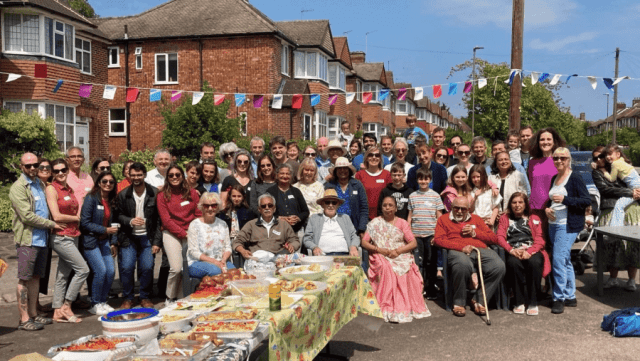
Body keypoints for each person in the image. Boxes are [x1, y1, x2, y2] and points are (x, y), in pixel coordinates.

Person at [10, 153, 63, 330]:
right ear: (21, 167)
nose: (33, 168)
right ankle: (24, 319)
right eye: (28, 166)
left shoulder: (40, 184)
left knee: (35, 277)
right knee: (24, 278)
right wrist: (52, 223)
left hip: (42, 239)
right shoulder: (18, 187)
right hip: (27, 239)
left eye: (35, 165)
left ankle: (33, 314)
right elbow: (26, 216)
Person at [362, 196, 431, 323]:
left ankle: (402, 307)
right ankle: (386, 306)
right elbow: (364, 242)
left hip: (399, 252)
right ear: (381, 208)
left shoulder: (402, 223)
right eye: (384, 205)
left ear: (396, 208)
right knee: (386, 267)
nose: (387, 208)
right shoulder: (375, 222)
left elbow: (413, 243)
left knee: (407, 267)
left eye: (390, 205)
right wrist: (379, 250)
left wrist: (398, 251)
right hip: (380, 253)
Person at [433, 196, 506, 317]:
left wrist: (475, 233)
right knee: (462, 264)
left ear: (468, 209)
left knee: (498, 266)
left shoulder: (476, 219)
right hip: (457, 250)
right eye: (456, 208)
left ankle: (479, 299)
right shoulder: (443, 219)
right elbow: (438, 240)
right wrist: (461, 248)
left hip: (479, 249)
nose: (460, 211)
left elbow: (494, 238)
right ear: (451, 207)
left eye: (463, 209)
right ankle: (459, 302)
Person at [544, 147, 590, 314]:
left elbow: (586, 200)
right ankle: (570, 295)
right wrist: (547, 209)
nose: (559, 161)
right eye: (556, 158)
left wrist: (566, 199)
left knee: (557, 259)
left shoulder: (575, 177)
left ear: (569, 160)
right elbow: (551, 201)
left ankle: (559, 298)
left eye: (563, 158)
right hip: (553, 224)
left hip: (568, 224)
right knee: (564, 260)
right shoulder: (554, 178)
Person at [45, 159, 90, 323]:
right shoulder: (52, 189)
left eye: (63, 169)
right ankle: (67, 305)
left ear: (67, 169)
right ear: (52, 173)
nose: (60, 173)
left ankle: (57, 310)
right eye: (56, 171)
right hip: (61, 236)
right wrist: (77, 218)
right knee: (83, 270)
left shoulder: (69, 189)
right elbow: (56, 216)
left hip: (73, 235)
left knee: (63, 274)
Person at [591, 146, 640, 291]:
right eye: (595, 158)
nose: (599, 159)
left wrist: (635, 193)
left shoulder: (620, 165)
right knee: (613, 247)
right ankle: (613, 279)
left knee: (632, 247)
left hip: (632, 210)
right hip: (611, 210)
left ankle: (631, 280)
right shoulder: (597, 173)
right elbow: (606, 189)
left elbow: (634, 182)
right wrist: (631, 193)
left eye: (601, 156)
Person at [115, 162, 161, 309]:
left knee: (147, 267)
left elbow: (160, 219)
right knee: (127, 267)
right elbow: (118, 216)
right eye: (133, 175)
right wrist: (130, 221)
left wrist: (157, 242)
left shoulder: (154, 193)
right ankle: (128, 297)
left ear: (144, 175)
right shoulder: (123, 194)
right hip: (129, 237)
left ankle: (144, 296)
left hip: (147, 237)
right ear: (129, 175)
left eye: (139, 175)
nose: (136, 177)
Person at [496, 192, 550, 316]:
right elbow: (500, 237)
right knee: (513, 263)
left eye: (520, 202)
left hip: (532, 250)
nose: (517, 205)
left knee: (535, 262)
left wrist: (529, 252)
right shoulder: (505, 218)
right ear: (510, 204)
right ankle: (518, 301)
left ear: (525, 204)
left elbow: (540, 240)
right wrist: (511, 250)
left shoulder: (534, 218)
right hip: (514, 250)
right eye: (514, 202)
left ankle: (533, 302)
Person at [157, 164, 201, 303]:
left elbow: (198, 214)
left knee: (188, 268)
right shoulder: (162, 196)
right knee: (176, 268)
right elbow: (166, 220)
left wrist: (192, 232)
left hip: (191, 232)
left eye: (177, 175)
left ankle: (183, 296)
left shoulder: (193, 193)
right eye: (171, 175)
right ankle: (170, 297)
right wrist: (183, 233)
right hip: (171, 233)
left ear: (183, 176)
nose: (174, 177)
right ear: (167, 178)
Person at [80, 171, 118, 316]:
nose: (107, 184)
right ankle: (95, 303)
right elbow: (84, 223)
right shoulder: (91, 198)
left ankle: (102, 301)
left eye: (111, 182)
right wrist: (105, 229)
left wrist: (114, 242)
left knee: (110, 271)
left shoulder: (112, 200)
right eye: (104, 181)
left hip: (105, 241)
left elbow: (114, 223)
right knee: (100, 271)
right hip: (91, 241)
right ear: (98, 183)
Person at [407, 167, 444, 299]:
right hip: (416, 235)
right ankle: (419, 286)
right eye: (420, 178)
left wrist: (437, 234)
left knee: (431, 261)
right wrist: (409, 233)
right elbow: (410, 217)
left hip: (430, 235)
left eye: (426, 178)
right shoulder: (412, 196)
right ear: (417, 180)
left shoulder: (435, 196)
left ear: (430, 179)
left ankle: (431, 287)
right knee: (418, 262)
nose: (423, 181)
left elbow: (440, 218)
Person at [233, 193, 300, 258]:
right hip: (256, 261)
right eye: (263, 206)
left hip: (278, 260)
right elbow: (237, 242)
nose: (267, 208)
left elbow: (295, 240)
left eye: (270, 205)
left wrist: (292, 245)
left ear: (274, 208)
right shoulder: (251, 225)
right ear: (259, 209)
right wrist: (243, 251)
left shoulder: (283, 224)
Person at [528, 127, 566, 241]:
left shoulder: (560, 161)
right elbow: (531, 184)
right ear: (537, 142)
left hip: (554, 208)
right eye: (542, 139)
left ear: (554, 141)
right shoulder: (532, 162)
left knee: (553, 242)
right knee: (538, 241)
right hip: (535, 208)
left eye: (549, 139)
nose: (545, 142)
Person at [187, 192, 235, 277]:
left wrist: (223, 260)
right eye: (206, 206)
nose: (210, 209)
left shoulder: (223, 224)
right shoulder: (194, 225)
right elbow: (194, 252)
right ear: (201, 207)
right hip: (197, 263)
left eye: (213, 205)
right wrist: (215, 262)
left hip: (221, 261)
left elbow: (228, 247)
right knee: (216, 271)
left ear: (218, 207)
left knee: (234, 273)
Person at [303, 189, 360, 256]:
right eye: (327, 202)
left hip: (344, 255)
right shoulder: (314, 218)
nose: (330, 205)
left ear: (338, 205)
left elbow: (354, 236)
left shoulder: (345, 218)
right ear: (322, 205)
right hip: (323, 256)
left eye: (334, 203)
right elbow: (307, 239)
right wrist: (314, 247)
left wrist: (353, 246)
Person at [323, 157, 369, 237]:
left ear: (349, 170)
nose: (342, 171)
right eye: (339, 168)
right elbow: (324, 206)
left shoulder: (357, 185)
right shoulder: (330, 185)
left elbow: (364, 208)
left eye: (345, 168)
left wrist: (362, 228)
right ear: (335, 171)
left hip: (354, 227)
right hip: (334, 228)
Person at [602, 144, 640, 227]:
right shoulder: (622, 160)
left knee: (619, 205)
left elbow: (612, 179)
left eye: (610, 154)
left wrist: (604, 171)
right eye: (606, 155)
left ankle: (616, 229)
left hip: (635, 187)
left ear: (618, 154)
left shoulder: (615, 164)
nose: (607, 157)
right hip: (637, 184)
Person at [267, 163, 310, 235]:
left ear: (291, 176)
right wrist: (279, 218)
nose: (285, 176)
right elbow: (266, 212)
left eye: (288, 174)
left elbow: (305, 211)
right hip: (276, 231)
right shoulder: (270, 192)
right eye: (282, 173)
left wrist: (297, 218)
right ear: (277, 175)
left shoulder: (296, 191)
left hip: (296, 231)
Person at [356, 146, 392, 220]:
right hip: (364, 216)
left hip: (383, 216)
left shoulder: (387, 174)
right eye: (371, 155)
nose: (374, 157)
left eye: (377, 155)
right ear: (366, 158)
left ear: (380, 158)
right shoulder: (359, 175)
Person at [36, 158, 54, 310]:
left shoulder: (49, 186)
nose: (45, 169)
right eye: (42, 166)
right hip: (34, 235)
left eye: (48, 167)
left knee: (43, 270)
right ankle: (33, 305)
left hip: (47, 234)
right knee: (33, 274)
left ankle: (36, 303)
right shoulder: (34, 186)